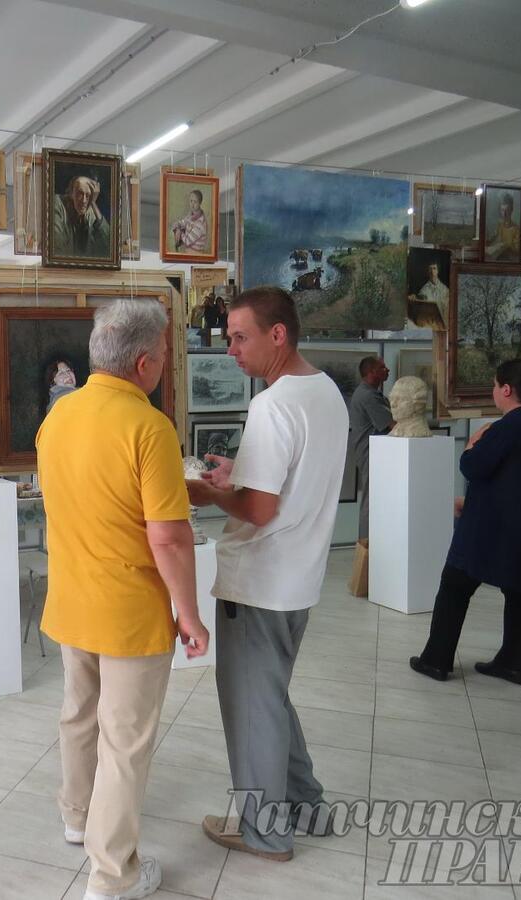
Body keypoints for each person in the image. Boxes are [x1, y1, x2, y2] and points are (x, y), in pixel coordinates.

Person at [38, 298, 208, 900]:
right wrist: (189, 614)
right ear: (142, 363)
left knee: (79, 716)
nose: (163, 366)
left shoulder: (57, 417)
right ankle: (112, 877)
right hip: (129, 610)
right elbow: (167, 534)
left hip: (71, 601)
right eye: (163, 357)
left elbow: (91, 493)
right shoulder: (148, 426)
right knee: (126, 743)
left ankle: (76, 817)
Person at [186, 286, 348, 862]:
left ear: (277, 335)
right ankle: (308, 807)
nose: (230, 349)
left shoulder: (273, 404)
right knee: (270, 698)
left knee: (252, 707)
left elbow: (259, 509)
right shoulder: (325, 391)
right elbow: (290, 479)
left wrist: (202, 490)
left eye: (239, 337)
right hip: (297, 579)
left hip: (261, 580)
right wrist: (240, 473)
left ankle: (267, 833)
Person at [410, 359, 521, 685]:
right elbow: (520, 483)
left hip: (489, 532)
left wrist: (472, 446)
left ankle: (437, 659)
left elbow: (475, 468)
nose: (493, 391)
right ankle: (514, 664)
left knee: (454, 588)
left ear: (506, 389)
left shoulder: (505, 429)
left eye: (494, 385)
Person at [348, 356, 393, 540]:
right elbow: (391, 424)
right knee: (371, 498)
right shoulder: (368, 396)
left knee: (375, 497)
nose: (387, 370)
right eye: (382, 367)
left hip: (375, 453)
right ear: (372, 372)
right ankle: (366, 544)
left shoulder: (371, 393)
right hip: (371, 454)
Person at [51, 174, 111, 259]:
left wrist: (93, 203)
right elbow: (58, 248)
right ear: (71, 193)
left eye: (88, 196)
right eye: (80, 194)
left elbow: (108, 244)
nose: (84, 200)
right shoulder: (57, 204)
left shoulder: (89, 210)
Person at [408, 261, 450, 330]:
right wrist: (414, 298)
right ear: (428, 272)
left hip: (442, 324)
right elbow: (421, 300)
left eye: (434, 268)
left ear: (437, 271)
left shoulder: (445, 289)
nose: (432, 271)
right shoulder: (424, 289)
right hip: (430, 324)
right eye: (430, 269)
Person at [170, 189, 209, 253]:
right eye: (191, 201)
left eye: (195, 202)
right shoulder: (191, 215)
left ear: (200, 203)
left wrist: (179, 231)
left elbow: (187, 241)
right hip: (187, 251)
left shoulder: (200, 223)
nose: (192, 204)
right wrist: (177, 227)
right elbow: (181, 222)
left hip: (195, 254)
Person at [484, 192, 521, 260]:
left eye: (507, 210)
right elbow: (492, 242)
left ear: (511, 210)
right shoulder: (499, 226)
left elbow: (517, 250)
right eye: (502, 210)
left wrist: (505, 245)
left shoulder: (516, 229)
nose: (504, 214)